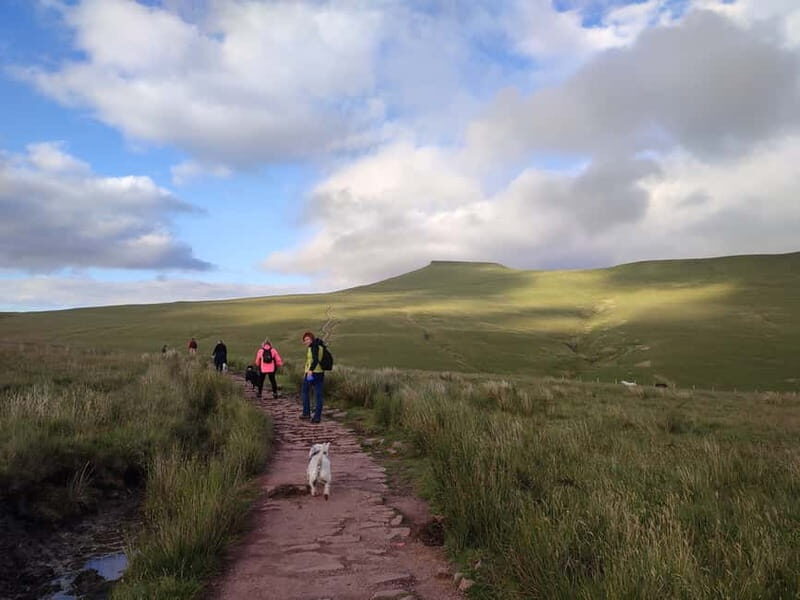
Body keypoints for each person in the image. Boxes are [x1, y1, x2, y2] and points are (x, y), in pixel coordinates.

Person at [300, 331, 325, 423]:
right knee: (318, 395)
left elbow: (315, 360)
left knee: (305, 391)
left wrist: (309, 371)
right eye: (305, 340)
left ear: (312, 339)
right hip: (320, 373)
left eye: (307, 339)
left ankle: (306, 413)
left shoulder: (314, 347)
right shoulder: (320, 346)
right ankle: (317, 417)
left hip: (312, 373)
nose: (306, 342)